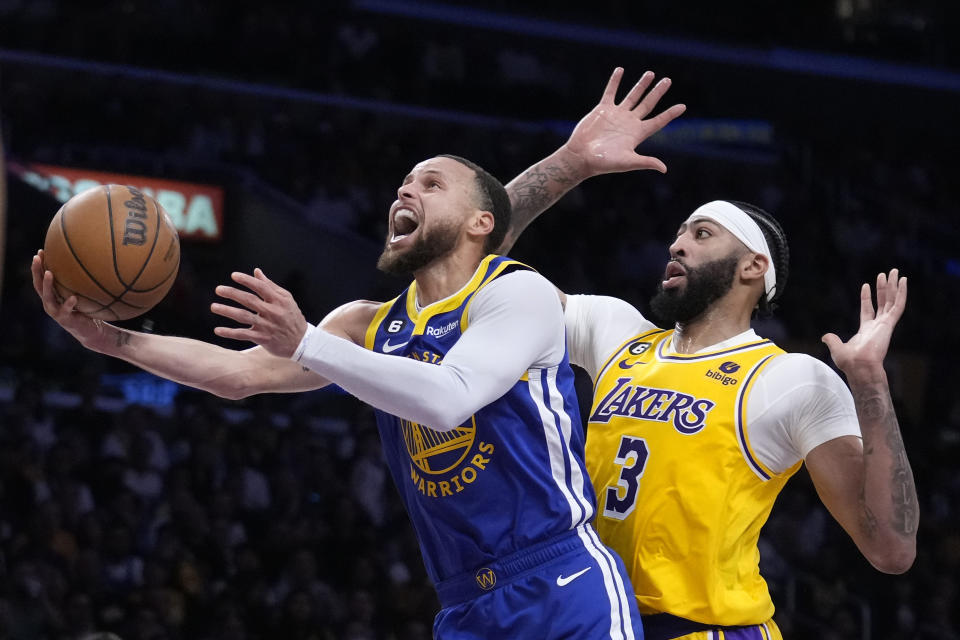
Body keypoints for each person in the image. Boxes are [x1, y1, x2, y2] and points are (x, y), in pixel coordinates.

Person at [32, 109, 675, 635]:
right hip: (463, 603)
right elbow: (235, 375)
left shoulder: (516, 294)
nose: (406, 189)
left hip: (561, 583)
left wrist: (308, 341)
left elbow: (450, 398)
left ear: (482, 223)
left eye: (430, 183)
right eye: (405, 182)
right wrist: (109, 339)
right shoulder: (367, 324)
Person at [496, 68, 919, 640]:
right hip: (597, 623)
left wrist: (869, 382)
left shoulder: (790, 379)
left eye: (701, 234)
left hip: (708, 628)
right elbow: (474, 276)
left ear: (754, 267)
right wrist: (571, 163)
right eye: (678, 233)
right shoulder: (619, 333)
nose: (676, 243)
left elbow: (890, 548)